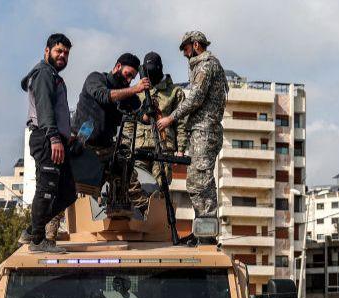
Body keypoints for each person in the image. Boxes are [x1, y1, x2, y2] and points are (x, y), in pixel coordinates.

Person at [156, 31, 227, 242]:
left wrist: (170, 118)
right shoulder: (203, 65)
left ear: (196, 45)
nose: (185, 54)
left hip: (205, 131)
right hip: (201, 131)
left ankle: (206, 235)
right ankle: (201, 232)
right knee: (196, 182)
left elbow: (195, 99)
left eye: (186, 49)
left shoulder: (206, 66)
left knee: (201, 182)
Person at [66, 53, 150, 217]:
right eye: (127, 75)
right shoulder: (96, 79)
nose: (129, 80)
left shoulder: (126, 94)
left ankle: (139, 214)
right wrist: (135, 89)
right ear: (118, 66)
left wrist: (149, 109)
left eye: (132, 78)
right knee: (67, 188)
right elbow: (104, 96)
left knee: (126, 174)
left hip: (105, 148)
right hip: (81, 143)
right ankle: (44, 233)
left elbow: (141, 116)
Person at [20, 33, 74, 253]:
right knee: (47, 188)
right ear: (47, 51)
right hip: (45, 137)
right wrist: (53, 137)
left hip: (57, 139)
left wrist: (69, 135)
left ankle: (33, 230)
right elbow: (44, 109)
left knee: (68, 191)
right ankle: (37, 241)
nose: (62, 56)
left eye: (66, 53)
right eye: (58, 51)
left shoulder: (53, 75)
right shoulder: (43, 73)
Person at [127, 51, 188, 195]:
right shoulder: (138, 91)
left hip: (163, 148)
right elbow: (130, 121)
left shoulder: (175, 92)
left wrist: (180, 150)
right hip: (139, 148)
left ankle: (157, 217)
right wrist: (126, 146)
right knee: (137, 189)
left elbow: (181, 123)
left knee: (160, 191)